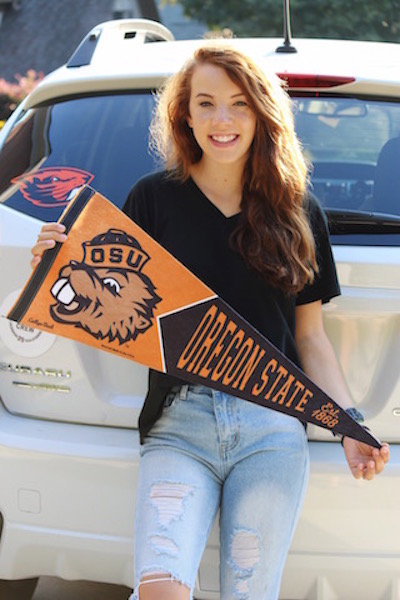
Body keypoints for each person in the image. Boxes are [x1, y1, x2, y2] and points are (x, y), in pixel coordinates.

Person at [31, 43, 390, 600]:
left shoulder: (298, 211)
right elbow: (101, 299)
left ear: (260, 113)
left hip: (273, 429)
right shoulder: (152, 201)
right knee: (159, 590)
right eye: (206, 104)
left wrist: (347, 422)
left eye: (238, 104)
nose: (222, 120)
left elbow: (309, 338)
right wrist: (53, 263)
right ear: (186, 115)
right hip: (179, 427)